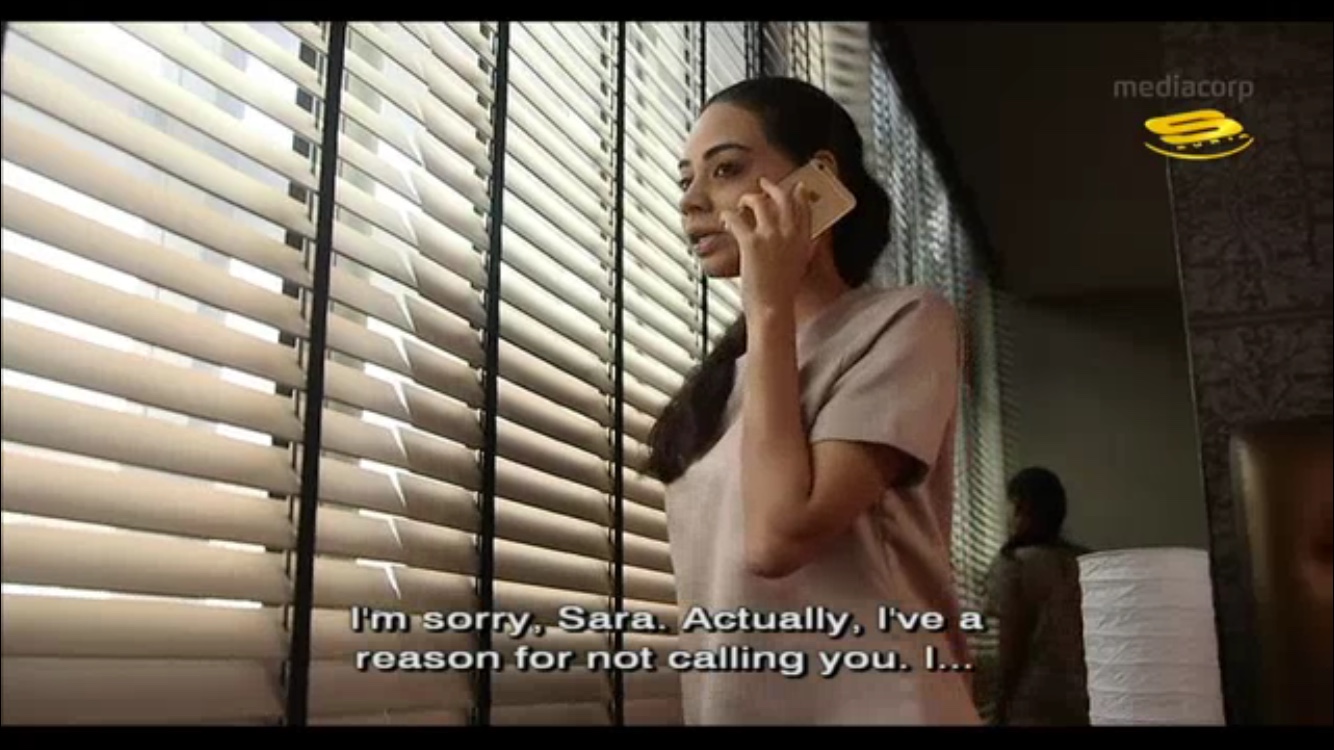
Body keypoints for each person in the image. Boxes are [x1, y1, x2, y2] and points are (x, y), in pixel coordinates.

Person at [645, 76, 980, 725]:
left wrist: (768, 305)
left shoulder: (907, 323)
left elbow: (778, 538)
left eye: (725, 169)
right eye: (686, 179)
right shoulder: (726, 382)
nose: (691, 200)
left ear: (816, 180)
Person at [982, 467, 1091, 725]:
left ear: (1019, 506)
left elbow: (1011, 644)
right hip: (1086, 701)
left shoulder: (1014, 564)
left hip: (1034, 704)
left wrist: (999, 709)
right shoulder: (1087, 563)